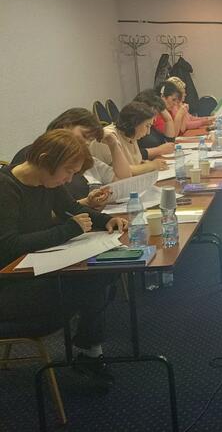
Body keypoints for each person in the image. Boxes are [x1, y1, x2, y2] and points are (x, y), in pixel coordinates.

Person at [0, 130, 128, 385]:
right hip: (10, 284)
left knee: (104, 272)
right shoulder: (6, 188)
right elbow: (8, 246)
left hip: (37, 268)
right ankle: (90, 353)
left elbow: (72, 208)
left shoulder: (48, 181)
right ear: (45, 160)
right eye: (68, 171)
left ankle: (90, 352)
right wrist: (68, 230)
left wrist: (106, 220)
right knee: (94, 280)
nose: (69, 179)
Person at [11, 108, 131, 208]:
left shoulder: (85, 159)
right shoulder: (34, 157)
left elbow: (124, 182)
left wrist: (113, 144)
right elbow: (42, 213)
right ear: (65, 125)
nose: (87, 143)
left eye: (91, 139)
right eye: (84, 135)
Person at [89, 102, 167, 176]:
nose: (148, 132)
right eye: (147, 126)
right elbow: (121, 171)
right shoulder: (108, 136)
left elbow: (135, 163)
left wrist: (145, 164)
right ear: (134, 123)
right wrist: (152, 165)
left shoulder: (131, 135)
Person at [133, 89, 176, 160]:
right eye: (154, 114)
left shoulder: (150, 127)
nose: (155, 119)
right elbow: (133, 155)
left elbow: (169, 143)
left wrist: (168, 120)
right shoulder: (134, 127)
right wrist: (159, 150)